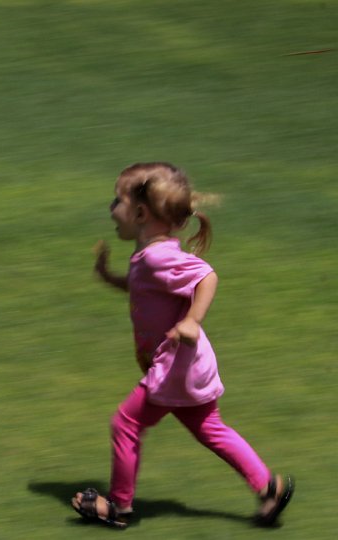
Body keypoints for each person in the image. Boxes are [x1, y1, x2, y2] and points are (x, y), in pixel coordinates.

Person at [70, 162, 293, 528]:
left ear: (140, 213)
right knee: (210, 428)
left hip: (173, 367)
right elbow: (147, 288)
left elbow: (206, 276)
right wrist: (111, 278)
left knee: (125, 423)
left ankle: (120, 506)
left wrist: (192, 320)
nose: (111, 209)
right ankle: (269, 486)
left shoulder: (158, 256)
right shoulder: (150, 256)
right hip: (190, 365)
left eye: (117, 201)